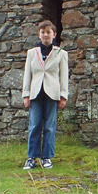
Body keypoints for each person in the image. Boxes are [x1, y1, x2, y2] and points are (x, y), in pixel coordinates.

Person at [22, 19, 68, 170]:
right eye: (43, 32)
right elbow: (27, 75)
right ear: (39, 34)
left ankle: (46, 157)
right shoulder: (32, 53)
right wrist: (26, 95)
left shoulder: (61, 54)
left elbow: (63, 76)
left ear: (54, 34)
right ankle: (31, 157)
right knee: (34, 125)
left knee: (49, 126)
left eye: (48, 32)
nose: (45, 35)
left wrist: (63, 96)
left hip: (52, 93)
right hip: (35, 93)